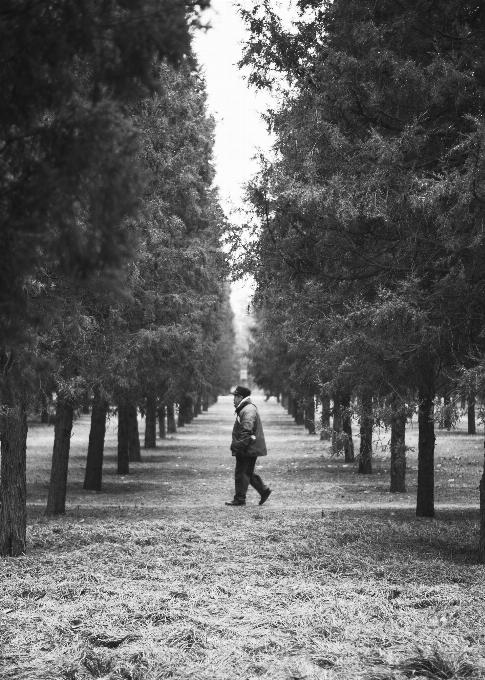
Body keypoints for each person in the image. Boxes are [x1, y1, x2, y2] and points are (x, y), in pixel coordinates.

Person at [225, 386, 272, 507]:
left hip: (247, 447)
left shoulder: (248, 410)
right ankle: (264, 490)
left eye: (235, 397)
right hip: (249, 446)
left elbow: (247, 430)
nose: (233, 399)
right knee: (248, 472)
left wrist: (239, 447)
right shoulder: (246, 408)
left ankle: (240, 499)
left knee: (241, 473)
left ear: (241, 397)